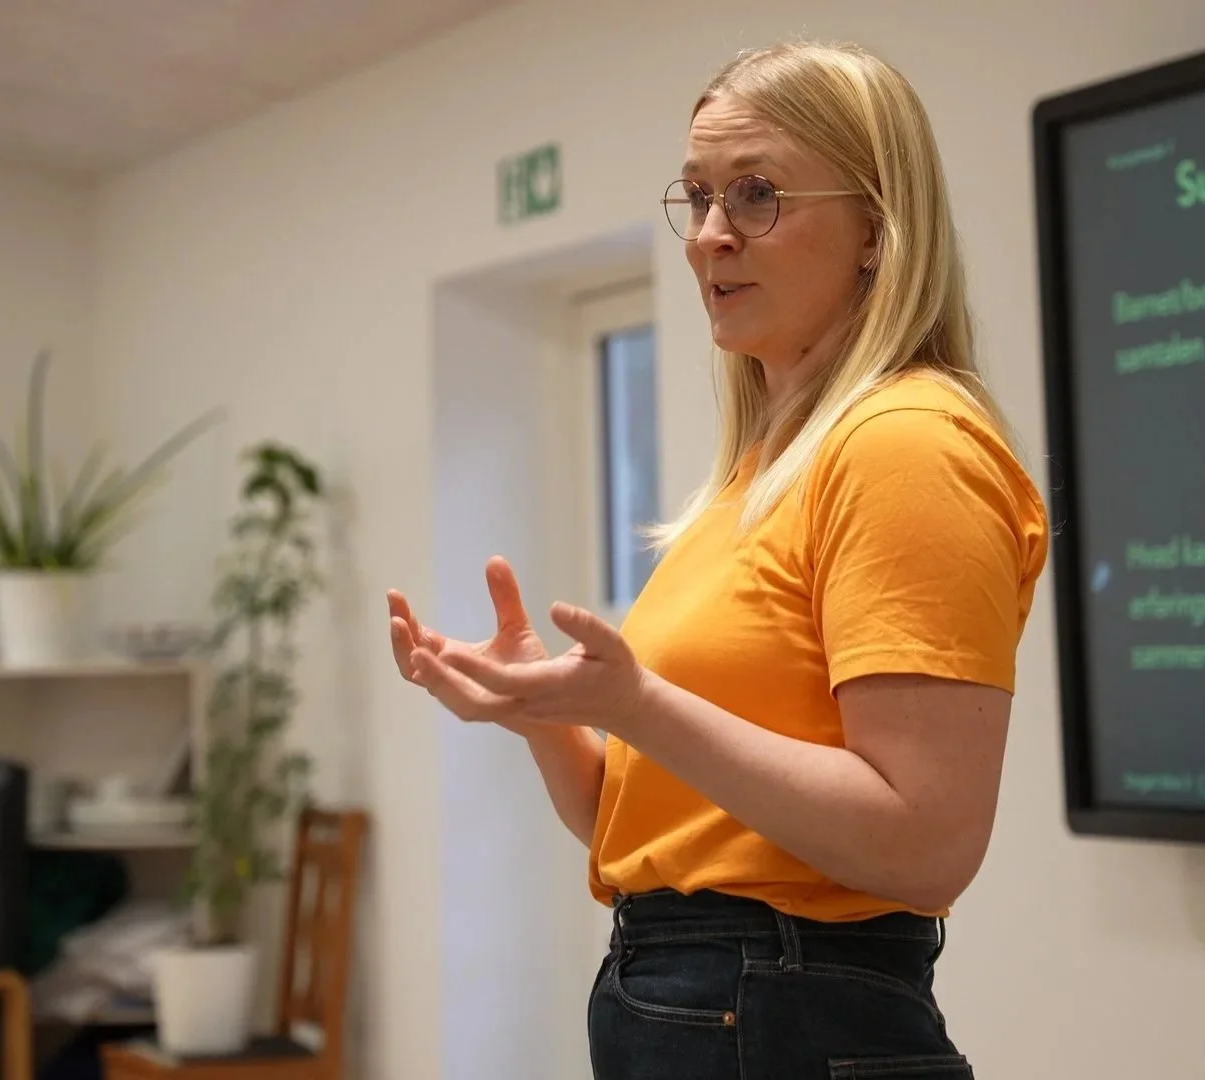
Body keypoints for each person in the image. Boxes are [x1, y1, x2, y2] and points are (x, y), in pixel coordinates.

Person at [386, 39, 1048, 1080]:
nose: (709, 236)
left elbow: (926, 845)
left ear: (877, 229)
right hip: (689, 989)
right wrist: (545, 712)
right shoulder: (760, 472)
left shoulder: (906, 442)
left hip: (783, 1005)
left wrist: (640, 704)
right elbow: (651, 835)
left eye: (756, 194)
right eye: (697, 197)